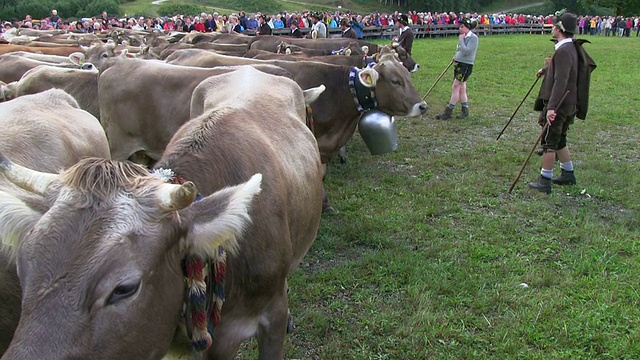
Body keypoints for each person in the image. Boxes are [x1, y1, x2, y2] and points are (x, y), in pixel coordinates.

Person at [528, 10, 580, 193]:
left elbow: (561, 80)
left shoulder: (565, 51)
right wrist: (547, 69)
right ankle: (568, 173)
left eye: (554, 25)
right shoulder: (569, 47)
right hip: (568, 103)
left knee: (549, 142)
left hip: (561, 104)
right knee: (560, 140)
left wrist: (551, 108)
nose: (552, 28)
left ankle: (545, 180)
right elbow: (562, 71)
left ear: (559, 28)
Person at [435, 18, 478, 120]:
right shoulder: (463, 37)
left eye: (462, 26)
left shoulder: (473, 38)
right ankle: (465, 110)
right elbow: (460, 50)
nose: (460, 28)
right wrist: (456, 57)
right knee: (462, 88)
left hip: (466, 66)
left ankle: (448, 111)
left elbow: (467, 51)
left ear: (467, 27)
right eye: (460, 26)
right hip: (459, 64)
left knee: (456, 86)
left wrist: (461, 40)